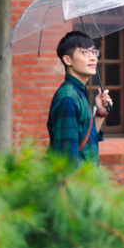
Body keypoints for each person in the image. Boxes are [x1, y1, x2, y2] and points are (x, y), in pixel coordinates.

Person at [46, 30, 112, 166]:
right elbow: (67, 157)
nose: (93, 57)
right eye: (85, 52)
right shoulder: (68, 98)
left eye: (94, 52)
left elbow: (88, 140)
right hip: (77, 183)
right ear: (67, 59)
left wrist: (100, 113)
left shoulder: (79, 92)